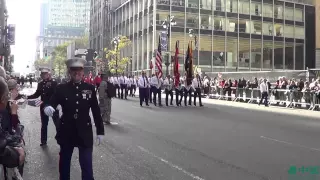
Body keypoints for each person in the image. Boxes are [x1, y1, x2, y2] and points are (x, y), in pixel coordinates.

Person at [43, 57, 104, 180]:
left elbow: (96, 111)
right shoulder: (61, 88)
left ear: (83, 71)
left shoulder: (90, 89)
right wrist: (47, 107)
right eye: (73, 70)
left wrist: (100, 131)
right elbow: (51, 102)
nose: (77, 73)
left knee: (87, 167)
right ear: (69, 72)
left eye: (79, 70)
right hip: (67, 131)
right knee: (64, 166)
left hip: (84, 131)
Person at [27, 67, 60, 146]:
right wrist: (27, 97)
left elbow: (57, 94)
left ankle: (61, 139)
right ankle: (43, 141)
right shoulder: (40, 84)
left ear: (48, 74)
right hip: (43, 106)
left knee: (58, 124)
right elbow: (37, 94)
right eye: (42, 74)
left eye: (45, 74)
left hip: (53, 106)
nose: (43, 75)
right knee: (44, 124)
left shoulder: (54, 83)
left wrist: (56, 104)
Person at [0, 77, 25, 170]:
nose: (17, 90)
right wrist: (13, 113)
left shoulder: (7, 105)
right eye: (7, 94)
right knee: (19, 155)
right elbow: (10, 131)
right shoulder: (4, 109)